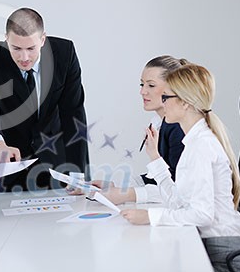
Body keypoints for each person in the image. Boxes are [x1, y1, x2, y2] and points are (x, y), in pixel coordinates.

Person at [120, 64, 240, 272]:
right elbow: (181, 203)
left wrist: (151, 217)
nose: (162, 104)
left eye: (165, 98)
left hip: (228, 253)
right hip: (217, 246)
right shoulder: (193, 142)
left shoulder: (201, 146)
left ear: (184, 103)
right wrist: (155, 158)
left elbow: (202, 214)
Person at [0, 7, 89, 191]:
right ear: (6, 39)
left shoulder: (65, 54)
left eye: (31, 48)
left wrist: (78, 173)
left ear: (43, 40)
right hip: (8, 164)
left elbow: (74, 113)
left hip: (57, 162)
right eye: (16, 48)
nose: (24, 57)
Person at [70, 55, 188, 202]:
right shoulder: (161, 124)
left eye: (151, 85)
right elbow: (159, 179)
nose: (143, 92)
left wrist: (128, 194)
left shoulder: (180, 129)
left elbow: (180, 190)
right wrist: (116, 186)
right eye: (142, 85)